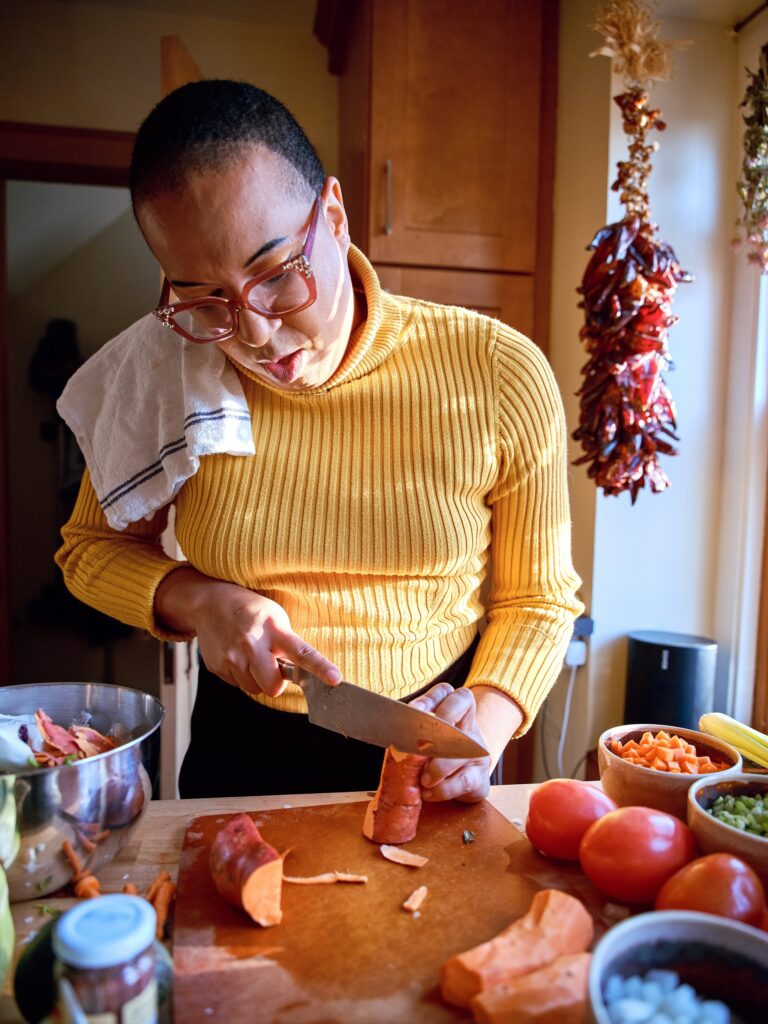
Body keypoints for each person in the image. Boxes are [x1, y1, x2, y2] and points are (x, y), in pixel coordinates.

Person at [55, 80, 583, 801]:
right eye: (204, 299)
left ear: (333, 215)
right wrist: (199, 600)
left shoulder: (496, 371)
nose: (253, 332)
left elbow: (539, 600)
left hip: (431, 733)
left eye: (275, 274)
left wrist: (489, 717)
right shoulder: (164, 372)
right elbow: (88, 549)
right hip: (244, 750)